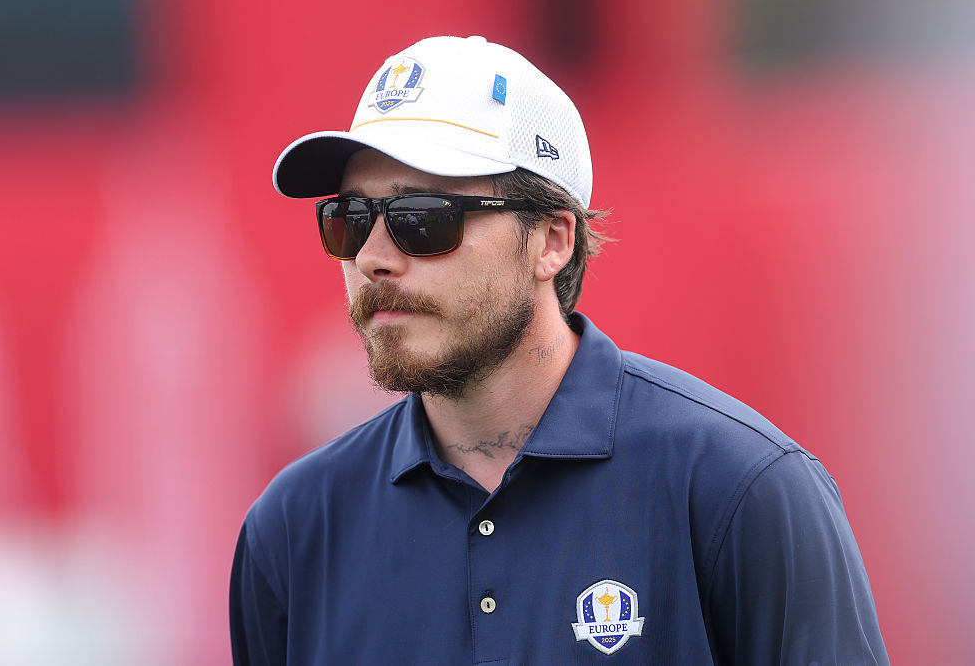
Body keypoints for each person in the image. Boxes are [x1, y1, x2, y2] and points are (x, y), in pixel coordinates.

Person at [230, 35, 888, 664]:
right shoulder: (293, 529)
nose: (372, 257)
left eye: (421, 218)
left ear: (552, 240)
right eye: (349, 218)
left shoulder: (738, 490)